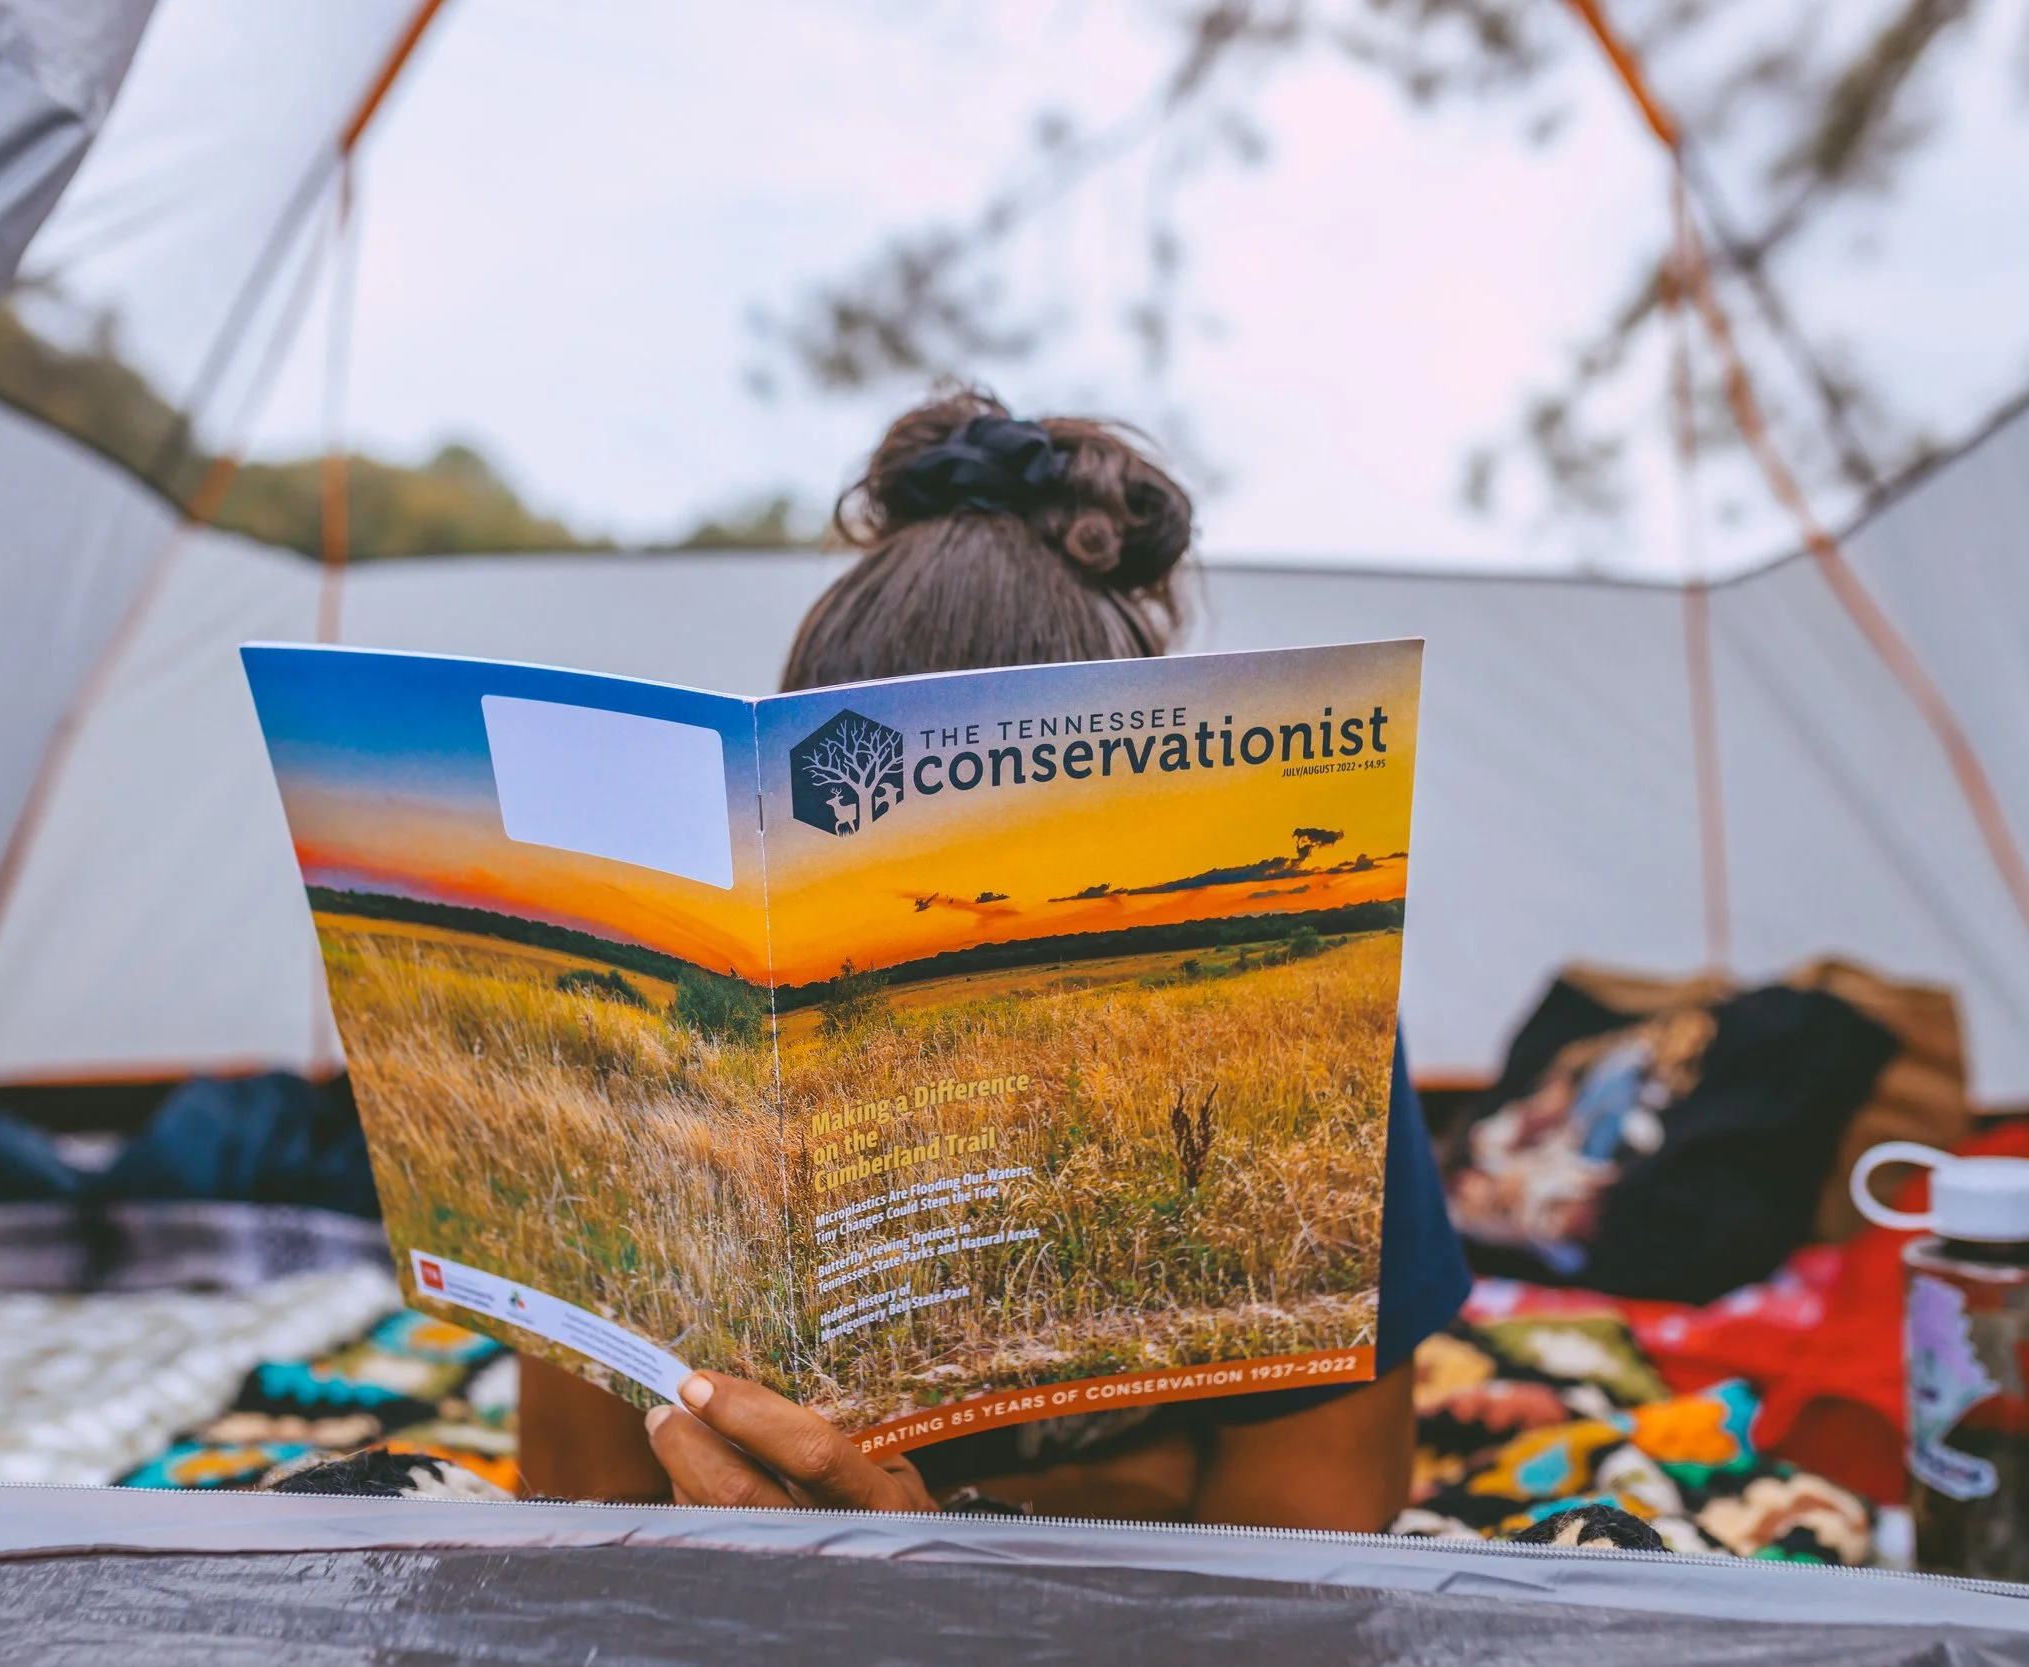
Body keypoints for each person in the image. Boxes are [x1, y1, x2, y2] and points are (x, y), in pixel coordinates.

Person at [517, 388, 1469, 1527]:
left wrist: (951, 1542)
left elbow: (1317, 1532)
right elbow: (584, 1517)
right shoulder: (642, 1035)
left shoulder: (1327, 1032)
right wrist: (1121, 1490)